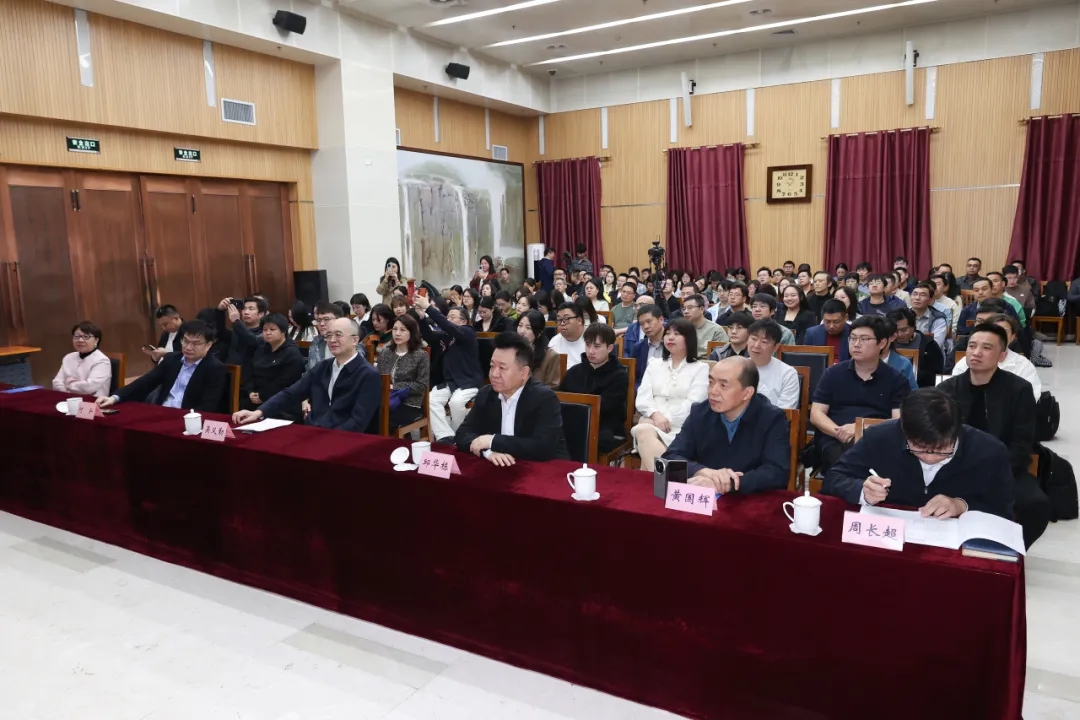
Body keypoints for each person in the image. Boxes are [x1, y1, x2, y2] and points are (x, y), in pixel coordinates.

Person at [823, 389, 1014, 522]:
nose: (929, 457)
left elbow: (1004, 509)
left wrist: (962, 505)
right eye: (918, 448)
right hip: (890, 536)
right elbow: (834, 478)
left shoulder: (989, 451)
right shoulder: (880, 437)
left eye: (941, 449)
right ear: (903, 431)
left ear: (956, 432)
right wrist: (862, 491)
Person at [938, 323, 1047, 546]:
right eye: (972, 346)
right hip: (954, 467)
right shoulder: (947, 389)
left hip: (1004, 469)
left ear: (1002, 355)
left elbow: (1022, 443)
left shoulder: (1019, 389)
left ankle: (1008, 550)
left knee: (1036, 504)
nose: (976, 352)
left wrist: (995, 472)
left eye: (986, 348)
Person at [664, 357, 790, 494]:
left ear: (747, 393)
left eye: (723, 385)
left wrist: (728, 483)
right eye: (711, 382)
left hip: (750, 498)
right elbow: (671, 456)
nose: (713, 391)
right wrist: (702, 471)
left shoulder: (771, 418)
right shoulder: (700, 413)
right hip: (707, 498)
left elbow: (777, 472)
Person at [234, 317, 381, 433]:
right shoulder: (322, 367)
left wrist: (329, 438)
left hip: (343, 438)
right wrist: (259, 412)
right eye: (329, 335)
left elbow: (358, 421)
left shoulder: (368, 374)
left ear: (355, 340)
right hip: (313, 430)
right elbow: (291, 393)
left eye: (338, 335)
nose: (332, 340)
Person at [810, 316, 911, 470]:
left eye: (864, 339)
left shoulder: (897, 380)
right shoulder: (833, 373)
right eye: (853, 338)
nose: (856, 344)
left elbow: (898, 421)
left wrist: (861, 428)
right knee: (840, 460)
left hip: (876, 439)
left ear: (882, 343)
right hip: (835, 437)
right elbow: (816, 414)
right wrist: (840, 432)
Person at [455, 332, 570, 465]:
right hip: (503, 466)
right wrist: (487, 451)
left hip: (544, 467)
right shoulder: (486, 394)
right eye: (492, 366)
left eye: (502, 368)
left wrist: (493, 441)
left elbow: (543, 447)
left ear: (524, 373)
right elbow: (462, 433)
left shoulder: (544, 398)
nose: (494, 374)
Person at [631, 319, 710, 472]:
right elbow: (642, 397)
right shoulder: (654, 364)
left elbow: (694, 404)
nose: (670, 337)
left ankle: (665, 479)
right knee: (644, 431)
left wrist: (665, 419)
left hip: (681, 427)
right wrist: (655, 415)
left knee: (643, 435)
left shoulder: (700, 368)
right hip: (651, 421)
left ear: (689, 339)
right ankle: (673, 477)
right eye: (667, 333)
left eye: (677, 334)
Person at [98, 320, 226, 413]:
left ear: (209, 345)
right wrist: (115, 397)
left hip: (187, 419)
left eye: (195, 344)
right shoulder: (172, 359)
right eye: (185, 341)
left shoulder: (214, 368)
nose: (188, 347)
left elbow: (208, 406)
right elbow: (147, 381)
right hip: (161, 412)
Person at [413, 293, 483, 443]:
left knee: (456, 403)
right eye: (448, 317)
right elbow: (429, 336)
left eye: (453, 317)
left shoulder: (468, 332)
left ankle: (460, 435)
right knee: (431, 399)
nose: (448, 320)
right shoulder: (446, 335)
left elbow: (448, 326)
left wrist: (429, 308)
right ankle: (446, 437)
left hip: (468, 381)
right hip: (450, 383)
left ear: (463, 321)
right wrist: (422, 317)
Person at [557, 323, 629, 454]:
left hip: (604, 424)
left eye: (596, 346)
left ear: (609, 348)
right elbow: (561, 400)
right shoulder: (574, 372)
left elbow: (606, 407)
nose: (590, 351)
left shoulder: (619, 375)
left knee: (597, 439)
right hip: (572, 420)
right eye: (587, 345)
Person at [954, 312, 1041, 398]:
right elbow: (954, 394)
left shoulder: (1023, 365)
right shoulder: (967, 361)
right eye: (993, 331)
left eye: (1003, 331)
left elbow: (1033, 396)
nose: (998, 335)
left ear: (1013, 337)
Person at [241, 313, 306, 419]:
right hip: (256, 397)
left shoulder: (292, 353)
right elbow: (251, 371)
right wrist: (251, 391)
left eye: (272, 329)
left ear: (283, 331)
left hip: (282, 402)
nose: (268, 333)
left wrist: (263, 396)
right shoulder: (261, 348)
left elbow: (287, 383)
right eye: (265, 330)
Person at [376, 314, 430, 428]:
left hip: (409, 404)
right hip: (385, 399)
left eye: (402, 330)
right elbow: (378, 377)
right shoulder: (386, 352)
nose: (397, 333)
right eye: (395, 329)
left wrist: (393, 386)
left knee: (383, 420)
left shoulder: (421, 355)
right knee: (366, 414)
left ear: (412, 332)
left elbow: (421, 386)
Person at [746, 320, 800, 410]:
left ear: (776, 347)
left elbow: (785, 410)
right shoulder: (736, 368)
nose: (756, 345)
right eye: (754, 339)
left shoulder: (788, 373)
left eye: (764, 342)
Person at [53, 322, 112, 398]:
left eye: (86, 336)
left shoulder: (102, 360)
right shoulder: (68, 357)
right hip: (66, 398)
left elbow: (89, 387)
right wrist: (66, 392)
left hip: (92, 401)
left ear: (96, 340)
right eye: (77, 336)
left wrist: (67, 384)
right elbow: (56, 382)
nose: (80, 340)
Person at [889, 307, 943, 387]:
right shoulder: (884, 344)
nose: (899, 334)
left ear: (913, 326)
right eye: (895, 331)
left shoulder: (929, 345)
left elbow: (936, 375)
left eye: (904, 330)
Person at [517, 310, 561, 388]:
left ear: (539, 332)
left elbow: (552, 388)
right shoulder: (510, 351)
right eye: (520, 325)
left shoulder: (551, 356)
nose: (522, 331)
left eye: (528, 328)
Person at [628, 303, 666, 387]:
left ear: (661, 320)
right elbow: (634, 378)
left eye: (649, 321)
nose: (646, 326)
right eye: (641, 324)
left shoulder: (674, 344)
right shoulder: (638, 348)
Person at [875, 316, 917, 390]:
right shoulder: (857, 360)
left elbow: (912, 392)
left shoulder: (903, 364)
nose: (876, 342)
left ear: (893, 337)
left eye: (880, 338)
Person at [681, 293, 729, 359]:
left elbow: (722, 356)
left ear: (701, 309)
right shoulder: (681, 329)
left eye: (690, 308)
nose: (686, 311)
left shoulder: (716, 330)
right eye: (684, 309)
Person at [306, 302, 345, 371]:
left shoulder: (349, 341)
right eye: (319, 320)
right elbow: (312, 370)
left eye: (326, 319)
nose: (321, 324)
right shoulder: (317, 341)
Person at [549, 301, 588, 369]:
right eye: (559, 320)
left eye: (566, 319)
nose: (562, 323)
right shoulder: (554, 342)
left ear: (579, 320)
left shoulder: (592, 341)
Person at [909, 282, 948, 348]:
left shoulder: (938, 318)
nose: (917, 298)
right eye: (915, 294)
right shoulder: (902, 314)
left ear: (930, 299)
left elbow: (936, 345)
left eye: (923, 295)